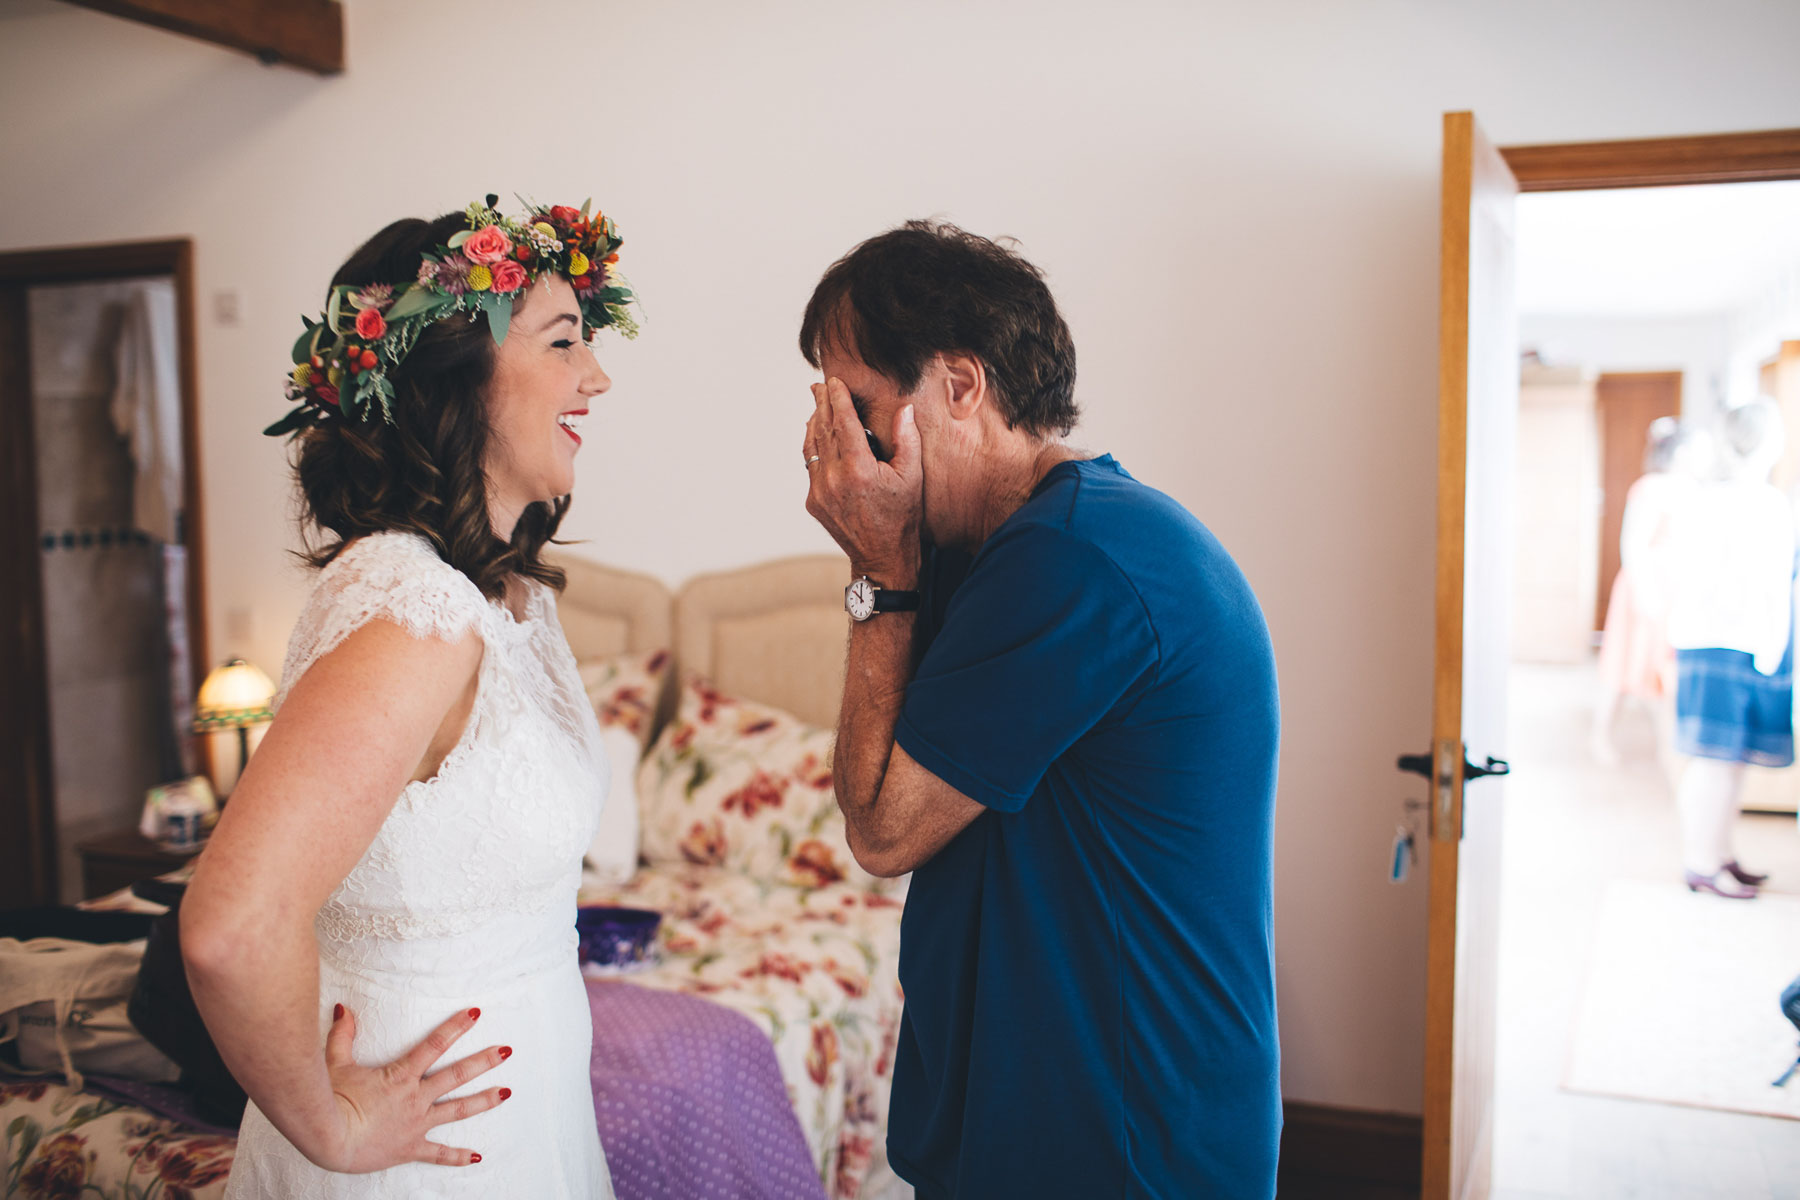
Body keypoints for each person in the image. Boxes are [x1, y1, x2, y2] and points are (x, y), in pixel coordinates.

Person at [798, 221, 1281, 1198]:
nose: (840, 444)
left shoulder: (1076, 558)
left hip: (1119, 1122)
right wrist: (887, 572)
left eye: (858, 405)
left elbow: (885, 836)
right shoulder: (986, 553)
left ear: (961, 387)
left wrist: (878, 568)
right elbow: (868, 803)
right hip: (1031, 1103)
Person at [181, 197, 635, 1196]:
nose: (596, 377)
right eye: (563, 343)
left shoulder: (498, 592)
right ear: (457, 380)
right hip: (421, 1160)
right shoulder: (416, 613)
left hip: (524, 1119)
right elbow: (228, 928)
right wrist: (331, 1129)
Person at [1667, 398, 1792, 900]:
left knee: (1730, 759)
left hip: (1727, 640)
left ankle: (1719, 853)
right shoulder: (1756, 503)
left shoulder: (1723, 498)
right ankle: (1700, 861)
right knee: (1715, 760)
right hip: (1732, 641)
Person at [1591, 417, 1709, 766]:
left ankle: (1669, 746)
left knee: (1661, 672)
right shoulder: (1652, 487)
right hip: (1646, 588)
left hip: (1676, 591)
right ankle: (1601, 735)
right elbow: (1634, 544)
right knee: (1625, 663)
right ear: (1683, 451)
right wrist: (1647, 596)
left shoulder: (1694, 490)